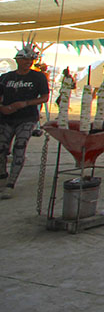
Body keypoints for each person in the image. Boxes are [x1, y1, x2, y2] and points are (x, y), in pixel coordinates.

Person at [0, 44, 50, 200]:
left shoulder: (38, 77)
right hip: (6, 117)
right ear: (18, 60)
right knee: (1, 148)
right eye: (24, 59)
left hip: (27, 117)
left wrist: (26, 103)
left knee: (19, 148)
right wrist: (2, 107)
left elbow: (45, 97)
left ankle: (11, 184)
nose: (27, 62)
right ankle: (3, 176)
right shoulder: (6, 77)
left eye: (30, 60)